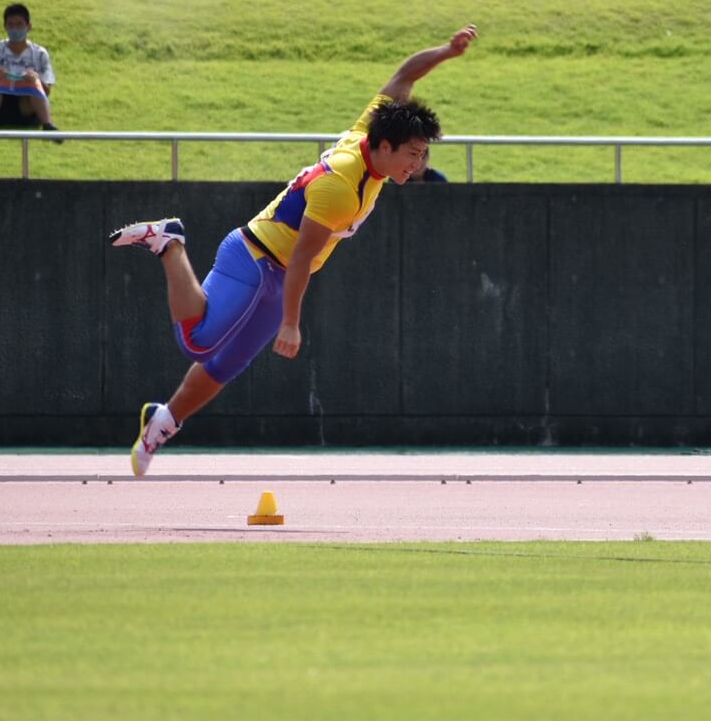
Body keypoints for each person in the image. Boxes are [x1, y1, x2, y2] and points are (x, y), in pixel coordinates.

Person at [109, 24, 477, 476]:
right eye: (413, 154)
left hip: (280, 273)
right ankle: (169, 244)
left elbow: (405, 76)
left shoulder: (374, 129)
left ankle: (162, 422)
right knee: (197, 342)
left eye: (423, 155)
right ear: (385, 146)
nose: (418, 165)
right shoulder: (342, 184)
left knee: (225, 366)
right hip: (254, 257)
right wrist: (290, 322)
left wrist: (446, 51)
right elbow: (303, 255)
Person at [0, 3, 58, 132]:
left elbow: (47, 91)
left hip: (27, 107)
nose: (15, 29)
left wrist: (36, 79)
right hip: (1, 106)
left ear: (29, 26)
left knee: (35, 81)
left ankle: (48, 125)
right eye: (11, 25)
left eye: (19, 24)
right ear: (5, 26)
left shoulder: (40, 53)